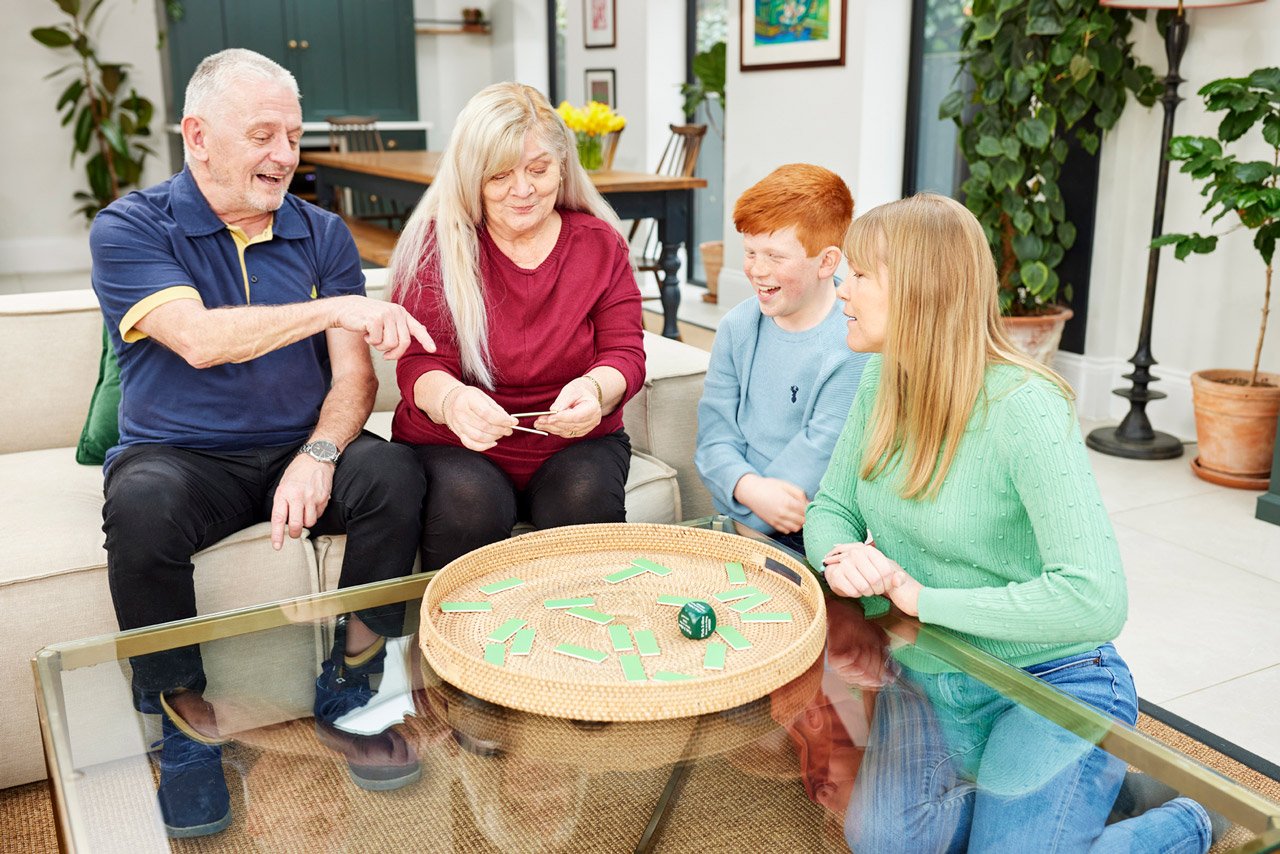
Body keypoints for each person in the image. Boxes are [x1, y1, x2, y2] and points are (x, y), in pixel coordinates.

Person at [804, 193, 1218, 852]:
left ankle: (1184, 822)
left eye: (858, 274)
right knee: (882, 844)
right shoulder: (882, 376)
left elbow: (1096, 599)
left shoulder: (1027, 406)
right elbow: (830, 508)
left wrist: (921, 599)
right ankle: (1085, 798)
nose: (839, 284)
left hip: (1048, 681)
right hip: (932, 674)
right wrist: (841, 555)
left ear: (918, 289)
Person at [91, 49, 432, 838]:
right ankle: (185, 732)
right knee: (139, 506)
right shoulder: (133, 227)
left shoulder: (322, 233)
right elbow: (202, 341)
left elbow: (356, 382)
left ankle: (352, 682)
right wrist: (332, 309)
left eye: (294, 134)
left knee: (394, 472)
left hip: (295, 447)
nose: (285, 155)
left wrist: (319, 454)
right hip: (181, 459)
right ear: (198, 136)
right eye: (263, 134)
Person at [388, 82, 645, 570]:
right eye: (500, 176)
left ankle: (585, 638)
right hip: (457, 443)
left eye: (539, 169)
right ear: (470, 177)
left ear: (563, 166)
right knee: (468, 507)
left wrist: (594, 390)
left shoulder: (600, 244)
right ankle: (463, 643)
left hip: (576, 441)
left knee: (585, 503)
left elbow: (625, 353)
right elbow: (420, 363)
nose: (523, 190)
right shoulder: (435, 247)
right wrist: (452, 401)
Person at [695, 164, 868, 552]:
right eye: (751, 252)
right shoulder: (737, 327)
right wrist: (748, 489)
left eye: (776, 256)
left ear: (826, 262)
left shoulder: (854, 343)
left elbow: (815, 463)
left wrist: (742, 505)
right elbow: (713, 439)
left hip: (814, 532)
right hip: (739, 514)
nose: (757, 269)